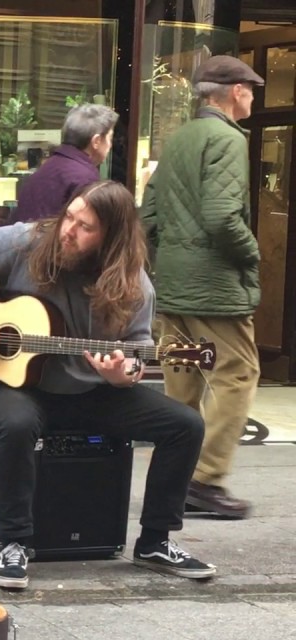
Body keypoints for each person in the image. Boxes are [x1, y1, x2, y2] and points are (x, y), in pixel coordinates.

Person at [0, 181, 216, 589]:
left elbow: (136, 355)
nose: (68, 230)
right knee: (16, 424)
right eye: (70, 217)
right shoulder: (29, 242)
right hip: (17, 387)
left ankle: (155, 541)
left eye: (85, 226)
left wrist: (122, 375)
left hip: (92, 393)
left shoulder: (134, 285)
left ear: (110, 238)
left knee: (185, 425)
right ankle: (14, 542)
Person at [141, 55, 264, 520]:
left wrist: (168, 256)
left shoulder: (179, 139)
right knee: (236, 373)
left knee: (183, 376)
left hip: (173, 279)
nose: (252, 95)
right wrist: (252, 255)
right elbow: (221, 216)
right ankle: (206, 478)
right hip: (212, 283)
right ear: (235, 92)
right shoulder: (226, 139)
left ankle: (174, 472)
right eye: (250, 89)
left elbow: (147, 215)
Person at [8, 104, 119, 223]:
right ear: (96, 141)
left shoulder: (49, 166)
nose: (110, 145)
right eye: (110, 138)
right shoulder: (85, 178)